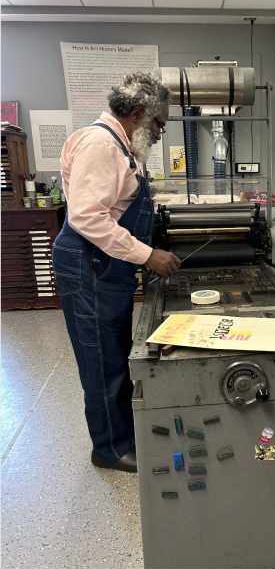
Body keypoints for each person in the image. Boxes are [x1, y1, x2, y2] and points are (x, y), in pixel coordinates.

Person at [53, 71, 181, 473]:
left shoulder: (121, 147)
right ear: (140, 113)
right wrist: (147, 255)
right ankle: (108, 449)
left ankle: (122, 432)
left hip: (105, 265)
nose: (161, 133)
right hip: (89, 265)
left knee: (114, 350)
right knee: (101, 359)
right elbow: (88, 217)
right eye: (159, 123)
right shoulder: (101, 144)